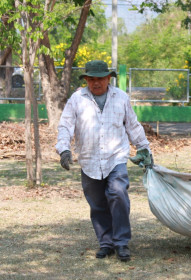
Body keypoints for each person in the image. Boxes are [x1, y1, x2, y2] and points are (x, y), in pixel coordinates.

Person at [56, 60, 152, 262]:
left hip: (115, 157)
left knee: (118, 194)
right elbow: (65, 125)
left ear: (108, 78)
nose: (95, 83)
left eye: (100, 79)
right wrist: (64, 149)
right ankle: (106, 243)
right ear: (86, 80)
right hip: (89, 159)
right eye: (91, 79)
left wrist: (143, 147)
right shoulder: (77, 99)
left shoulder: (121, 98)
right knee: (97, 203)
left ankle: (121, 242)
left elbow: (132, 125)